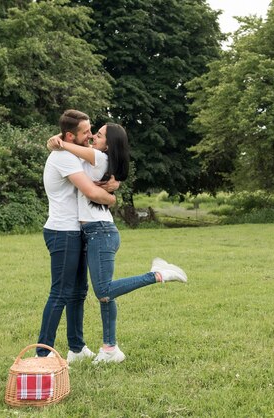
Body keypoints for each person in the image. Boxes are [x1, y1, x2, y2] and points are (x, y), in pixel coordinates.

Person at [48, 122, 188, 363]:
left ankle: (158, 274)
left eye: (99, 134)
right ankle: (110, 349)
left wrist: (58, 141)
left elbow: (71, 147)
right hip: (95, 231)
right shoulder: (98, 159)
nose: (93, 137)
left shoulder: (99, 158)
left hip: (99, 231)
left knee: (103, 290)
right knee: (106, 293)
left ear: (108, 144)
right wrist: (56, 140)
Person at [37, 110, 119, 362]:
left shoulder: (71, 152)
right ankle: (43, 354)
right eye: (86, 132)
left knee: (78, 292)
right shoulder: (63, 157)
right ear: (71, 135)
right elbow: (91, 192)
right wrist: (112, 197)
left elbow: (98, 171)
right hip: (62, 231)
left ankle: (77, 348)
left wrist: (113, 182)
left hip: (76, 231)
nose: (90, 135)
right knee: (60, 292)